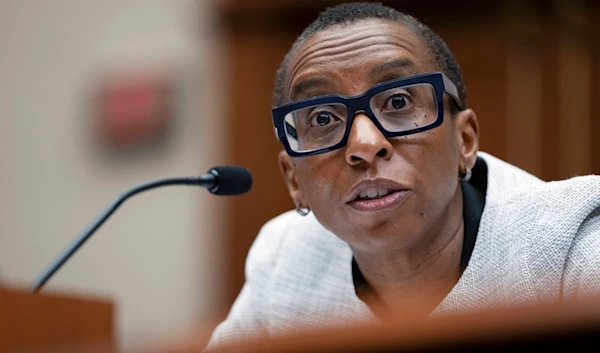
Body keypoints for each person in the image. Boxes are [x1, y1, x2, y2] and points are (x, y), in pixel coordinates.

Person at [205, 1, 600, 350]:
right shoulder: (285, 259)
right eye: (323, 118)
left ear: (464, 140)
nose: (363, 143)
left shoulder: (570, 246)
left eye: (398, 102)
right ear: (294, 179)